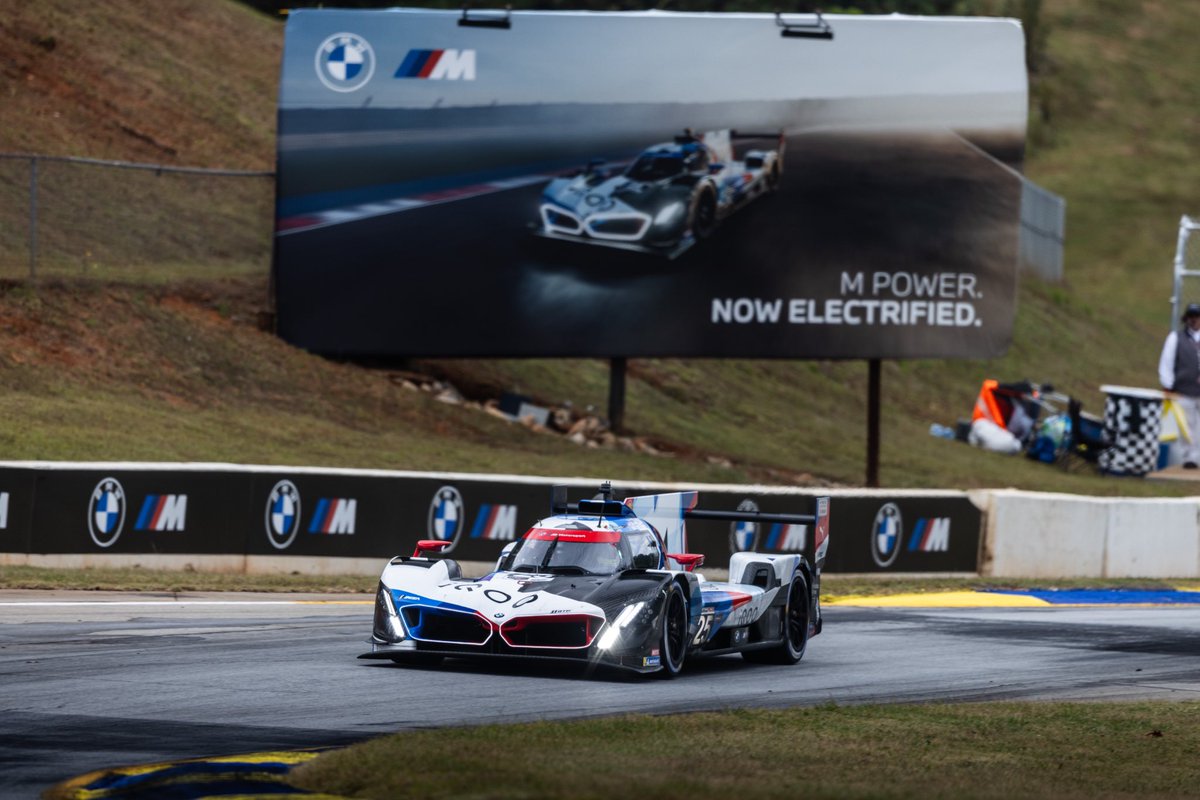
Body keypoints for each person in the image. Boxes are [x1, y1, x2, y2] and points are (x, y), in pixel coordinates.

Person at [1158, 303, 1200, 468]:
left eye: (1197, 317)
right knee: (1186, 426)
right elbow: (1166, 362)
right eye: (1191, 317)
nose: (1194, 320)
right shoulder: (1176, 338)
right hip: (1183, 390)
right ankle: (1188, 458)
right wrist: (1168, 385)